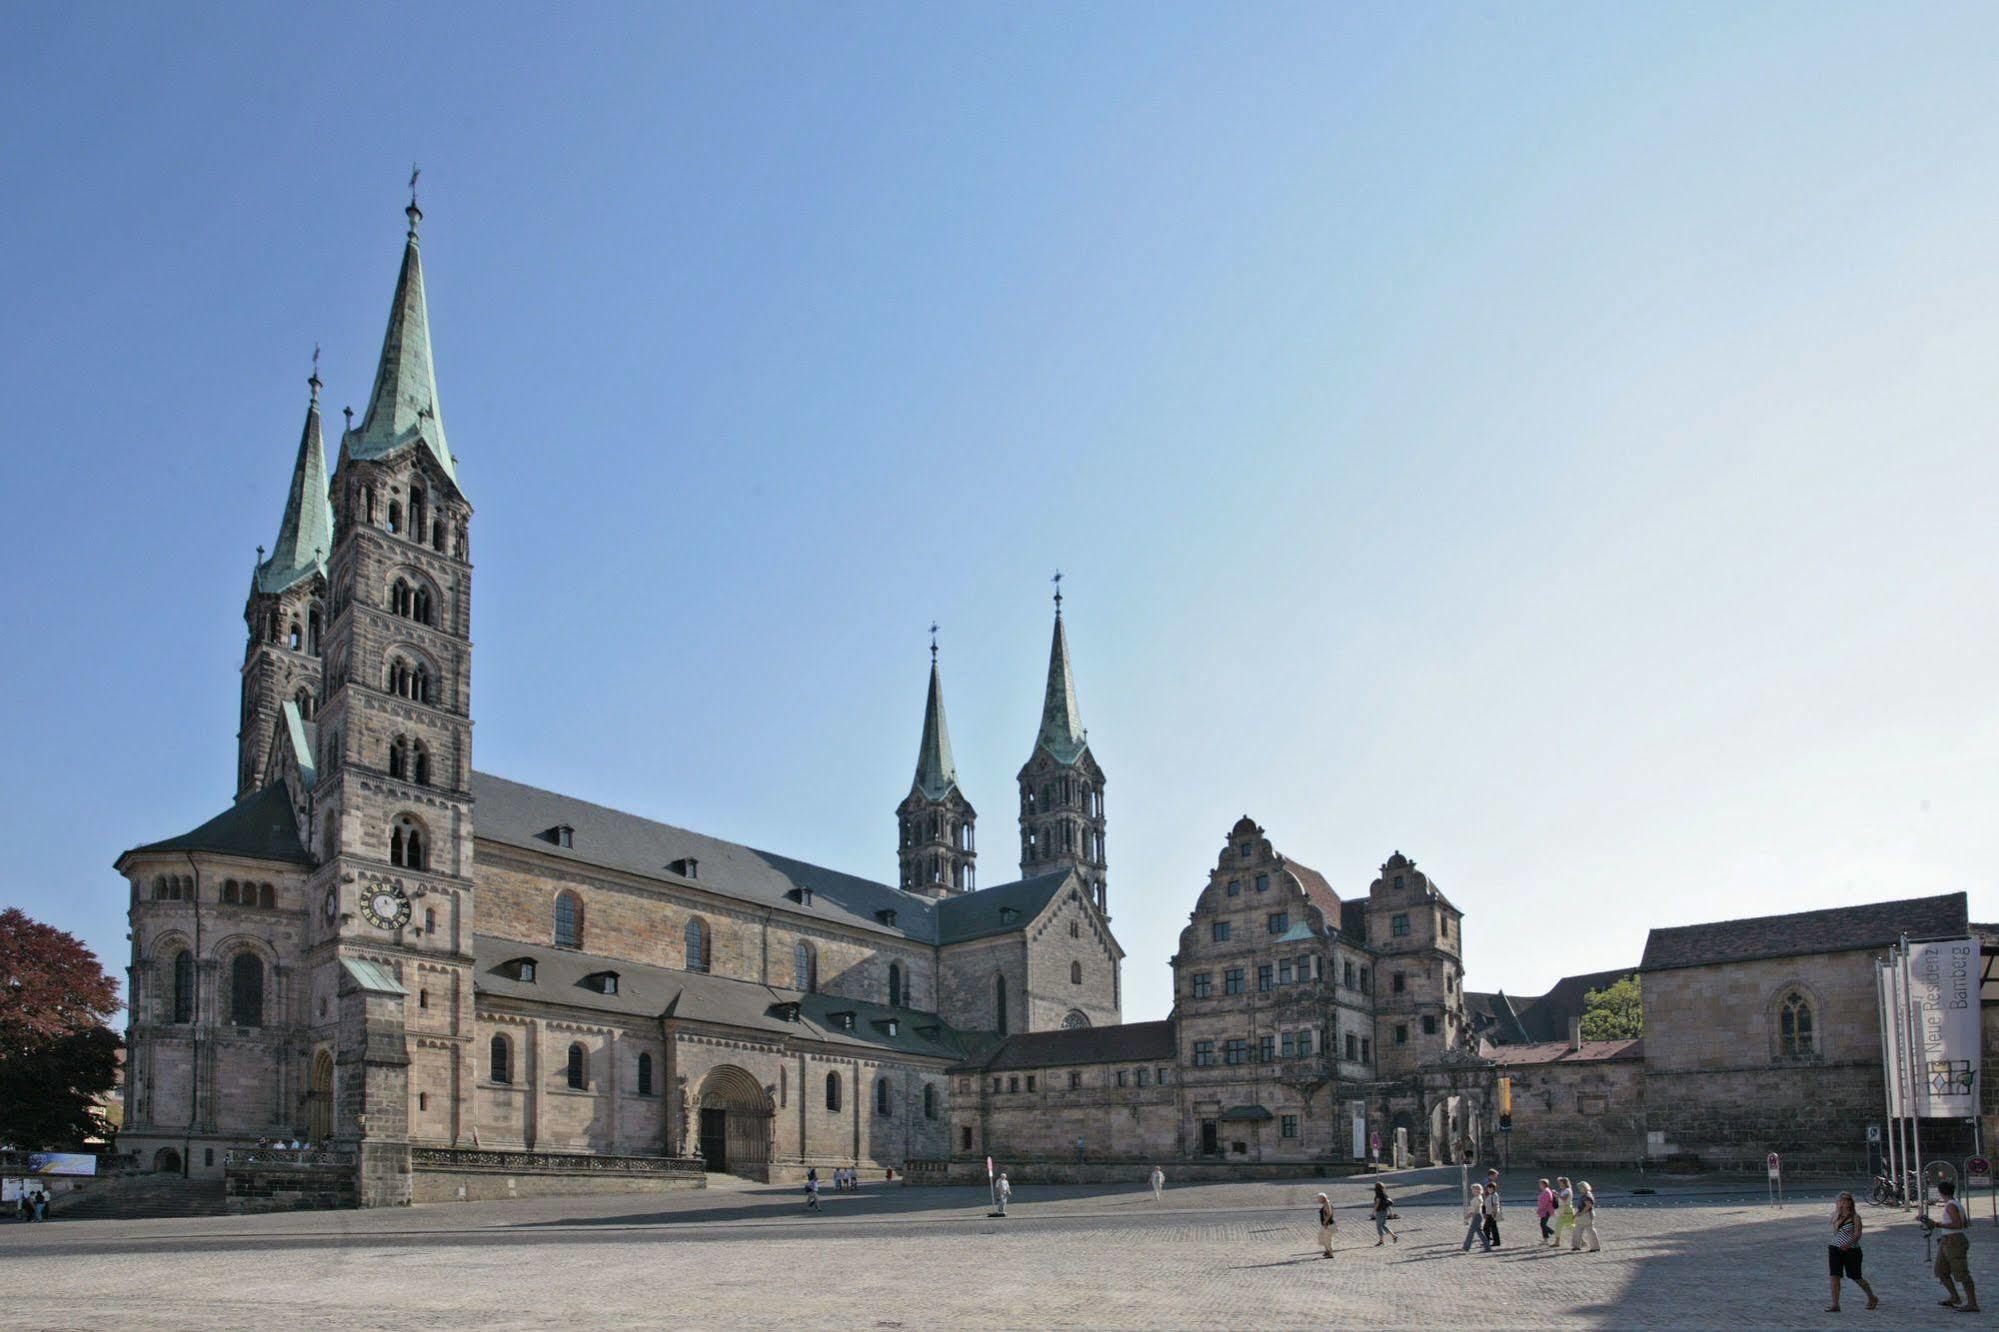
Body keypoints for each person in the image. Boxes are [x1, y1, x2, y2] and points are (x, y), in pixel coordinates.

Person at [1930, 1179, 1979, 1312]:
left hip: (1955, 1241)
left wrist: (1938, 1225)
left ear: (1941, 1192)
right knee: (1941, 1270)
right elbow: (1964, 1223)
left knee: (1961, 1272)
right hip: (1947, 1240)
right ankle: (1954, 1297)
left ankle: (1972, 1303)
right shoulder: (1955, 1204)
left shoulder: (1951, 1205)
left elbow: (1959, 1224)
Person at [1827, 1191, 1878, 1313]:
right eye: (1841, 1200)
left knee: (1855, 1276)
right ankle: (1835, 1304)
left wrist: (1848, 1244)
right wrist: (1837, 1215)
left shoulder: (1855, 1217)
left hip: (1851, 1250)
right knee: (1834, 1276)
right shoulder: (1835, 1215)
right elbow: (1835, 1232)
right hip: (1835, 1248)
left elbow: (1857, 1234)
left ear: (1850, 1202)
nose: (1843, 1202)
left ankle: (1872, 1297)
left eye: (1846, 1200)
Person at [1570, 1181, 1600, 1252]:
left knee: (1584, 1230)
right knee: (1580, 1230)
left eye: (1580, 1188)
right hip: (1586, 1215)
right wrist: (1576, 1214)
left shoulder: (1586, 1196)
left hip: (1586, 1215)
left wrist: (1580, 1213)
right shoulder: (1588, 1194)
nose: (1580, 1190)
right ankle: (1577, 1246)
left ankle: (1578, 1246)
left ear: (1584, 1188)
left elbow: (1588, 1206)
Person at [1462, 1183, 1492, 1252]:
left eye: (1476, 1190)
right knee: (1479, 1232)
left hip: (1477, 1216)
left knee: (1471, 1232)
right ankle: (1487, 1247)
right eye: (1473, 1190)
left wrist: (1469, 1215)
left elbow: (1476, 1209)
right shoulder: (1478, 1197)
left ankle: (1466, 1247)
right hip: (1477, 1216)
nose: (1474, 1191)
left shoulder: (1478, 1198)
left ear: (1479, 1190)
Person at [1552, 1176, 1576, 1248]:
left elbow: (1564, 1199)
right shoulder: (1564, 1190)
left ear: (1564, 1183)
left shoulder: (1567, 1190)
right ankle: (1557, 1242)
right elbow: (1561, 1199)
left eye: (1560, 1182)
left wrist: (1557, 1194)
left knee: (1569, 1226)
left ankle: (1581, 1239)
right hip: (1562, 1209)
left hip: (1566, 1209)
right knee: (1558, 1225)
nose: (1559, 1184)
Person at [1482, 1169, 1502, 1248]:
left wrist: (1494, 1212)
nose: (1496, 1177)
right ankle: (1493, 1241)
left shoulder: (1494, 1194)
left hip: (1492, 1213)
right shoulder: (1488, 1184)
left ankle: (1489, 1241)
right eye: (1495, 1175)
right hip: (1490, 1211)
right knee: (1491, 1227)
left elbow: (1495, 1204)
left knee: (1488, 1227)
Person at [1315, 1193, 1338, 1258]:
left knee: (1327, 1239)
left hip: (1328, 1225)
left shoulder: (1327, 1204)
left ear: (1323, 1198)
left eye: (1318, 1199)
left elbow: (1329, 1213)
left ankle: (1330, 1253)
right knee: (1321, 1237)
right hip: (1325, 1225)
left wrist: (1325, 1222)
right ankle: (1327, 1251)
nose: (1318, 1200)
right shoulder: (1326, 1203)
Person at [1536, 1179, 1556, 1244]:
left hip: (1546, 1211)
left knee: (1543, 1224)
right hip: (1545, 1210)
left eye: (1540, 1184)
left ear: (1544, 1184)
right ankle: (1547, 1237)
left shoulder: (1546, 1191)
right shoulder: (1546, 1191)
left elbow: (1545, 1203)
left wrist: (1540, 1209)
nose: (1539, 1185)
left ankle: (1552, 1233)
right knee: (1543, 1224)